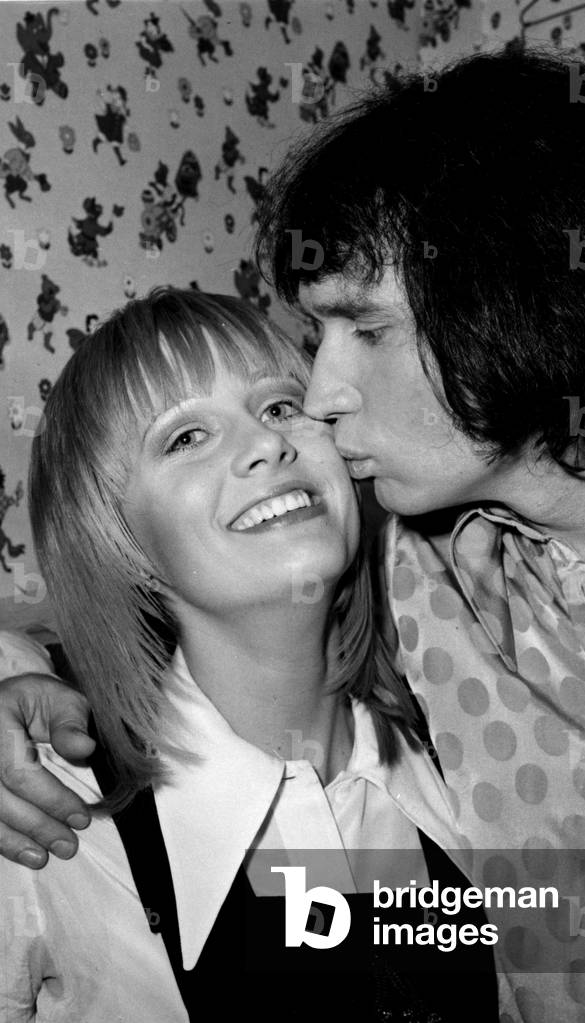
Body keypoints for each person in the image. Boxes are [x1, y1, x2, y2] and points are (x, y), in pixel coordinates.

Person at [1, 46, 585, 1023]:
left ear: (513, 304)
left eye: (356, 332)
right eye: (188, 434)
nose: (316, 408)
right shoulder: (428, 578)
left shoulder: (414, 624)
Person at [0, 287, 498, 1022]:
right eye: (185, 437)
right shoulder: (46, 819)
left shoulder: (469, 745)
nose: (268, 442)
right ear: (120, 544)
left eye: (277, 406)